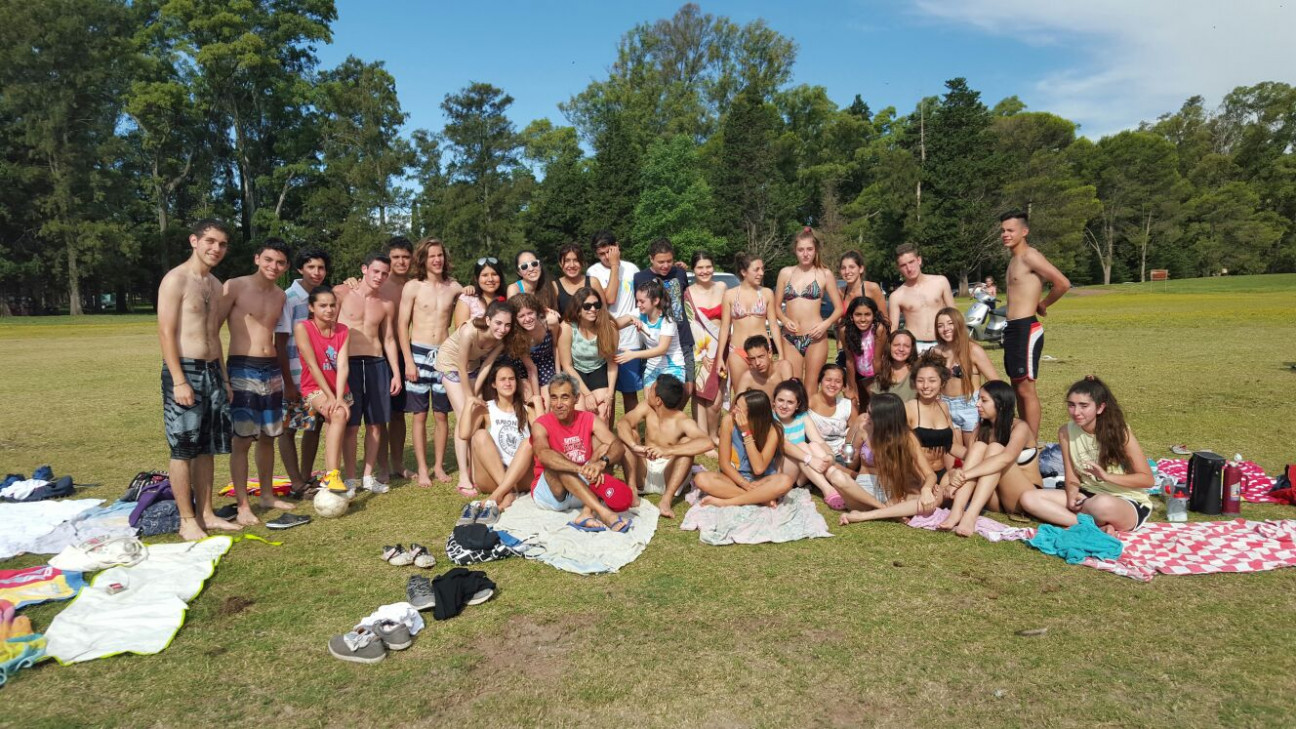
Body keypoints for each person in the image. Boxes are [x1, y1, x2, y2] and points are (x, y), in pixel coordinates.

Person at [157, 219, 237, 541]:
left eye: (222, 244)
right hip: (185, 370)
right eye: (210, 241)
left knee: (208, 447)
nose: (216, 248)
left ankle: (207, 513)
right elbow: (166, 332)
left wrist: (226, 379)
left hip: (213, 372)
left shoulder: (216, 285)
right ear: (194, 240)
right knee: (183, 447)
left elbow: (215, 336)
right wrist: (178, 380)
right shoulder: (175, 280)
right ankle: (187, 519)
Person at [218, 237, 293, 525]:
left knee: (268, 437)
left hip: (270, 368)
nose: (274, 266)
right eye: (269, 260)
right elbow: (213, 329)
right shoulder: (234, 286)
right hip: (242, 368)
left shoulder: (280, 296)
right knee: (242, 440)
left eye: (280, 262)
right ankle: (243, 504)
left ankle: (266, 495)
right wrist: (223, 376)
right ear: (257, 259)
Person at [1018, 376, 1155, 533]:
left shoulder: (1120, 432)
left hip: (1124, 501)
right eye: (1071, 405)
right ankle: (1090, 526)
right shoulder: (1065, 432)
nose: (1076, 412)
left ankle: (1080, 518)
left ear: (1100, 408)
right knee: (1029, 498)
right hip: (1086, 495)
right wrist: (1071, 496)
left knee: (1101, 504)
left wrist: (1106, 477)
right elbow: (1071, 475)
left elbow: (1147, 479)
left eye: (1084, 406)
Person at [436, 300, 528, 496]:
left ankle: (475, 468)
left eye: (507, 325)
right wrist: (469, 397)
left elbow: (487, 364)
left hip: (474, 368)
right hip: (451, 365)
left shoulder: (501, 339)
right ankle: (463, 476)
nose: (502, 329)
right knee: (464, 415)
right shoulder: (470, 332)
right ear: (487, 320)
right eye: (498, 323)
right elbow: (460, 366)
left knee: (476, 418)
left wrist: (475, 390)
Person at [333, 252, 402, 494]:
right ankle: (350, 478)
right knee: (351, 425)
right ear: (364, 269)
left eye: (384, 273)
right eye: (376, 271)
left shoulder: (386, 304)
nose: (380, 277)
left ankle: (367, 476)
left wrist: (395, 373)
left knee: (375, 424)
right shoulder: (341, 293)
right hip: (347, 365)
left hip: (376, 364)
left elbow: (389, 339)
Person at [530, 373, 634, 532]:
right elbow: (543, 455)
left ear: (576, 398)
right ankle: (603, 512)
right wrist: (580, 469)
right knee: (557, 462)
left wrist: (601, 462)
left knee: (604, 445)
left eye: (564, 397)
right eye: (554, 398)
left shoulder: (588, 418)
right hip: (552, 492)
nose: (558, 404)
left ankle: (586, 512)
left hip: (581, 487)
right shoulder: (541, 424)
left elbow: (617, 445)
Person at [1000, 210, 1071, 441]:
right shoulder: (1013, 260)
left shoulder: (1030, 256)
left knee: (1026, 389)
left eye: (1010, 230)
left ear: (1024, 231)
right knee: (1017, 387)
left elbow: (1062, 283)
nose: (1005, 234)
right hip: (1012, 329)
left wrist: (1043, 304)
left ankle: (1031, 442)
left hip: (1026, 328)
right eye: (1003, 230)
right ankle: (1023, 439)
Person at [397, 238, 462, 487]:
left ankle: (438, 466)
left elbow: (472, 295)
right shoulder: (413, 287)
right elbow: (402, 325)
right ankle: (423, 468)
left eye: (440, 255)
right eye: (432, 256)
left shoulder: (453, 286)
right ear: (423, 259)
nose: (437, 260)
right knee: (420, 415)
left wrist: (467, 291)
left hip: (444, 355)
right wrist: (408, 361)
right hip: (418, 353)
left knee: (442, 414)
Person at [939, 380, 1042, 537]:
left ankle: (971, 515)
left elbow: (1006, 458)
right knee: (978, 447)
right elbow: (970, 455)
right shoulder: (981, 427)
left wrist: (963, 476)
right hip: (993, 497)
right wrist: (935, 440)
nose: (977, 404)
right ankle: (957, 511)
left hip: (1022, 497)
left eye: (984, 400)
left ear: (1000, 404)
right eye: (978, 399)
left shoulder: (1020, 427)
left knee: (995, 449)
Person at [616, 374, 713, 519]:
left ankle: (666, 500)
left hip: (670, 475)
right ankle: (632, 490)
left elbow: (707, 442)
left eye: (652, 388)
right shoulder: (646, 408)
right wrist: (635, 446)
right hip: (645, 469)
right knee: (631, 435)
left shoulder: (682, 420)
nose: (648, 391)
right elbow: (622, 423)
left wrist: (668, 450)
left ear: (658, 400)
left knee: (686, 443)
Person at [275, 246, 330, 497]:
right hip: (294, 376)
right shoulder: (289, 298)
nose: (316, 272)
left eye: (321, 267)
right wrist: (287, 381)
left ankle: (307, 477)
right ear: (300, 269)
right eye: (311, 267)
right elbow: (280, 341)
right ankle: (295, 482)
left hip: (315, 376)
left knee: (313, 427)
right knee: (288, 428)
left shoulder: (322, 298)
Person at [837, 393, 939, 524]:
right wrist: (849, 454)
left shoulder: (906, 437)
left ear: (884, 418)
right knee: (836, 476)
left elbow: (930, 474)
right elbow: (850, 465)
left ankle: (872, 513)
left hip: (893, 491)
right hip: (864, 490)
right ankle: (886, 510)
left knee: (935, 496)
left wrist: (926, 489)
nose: (866, 416)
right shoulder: (864, 429)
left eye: (870, 413)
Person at [455, 361, 534, 518]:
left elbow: (544, 436)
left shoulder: (527, 409)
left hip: (522, 477)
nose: (507, 383)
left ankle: (501, 494)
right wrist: (469, 403)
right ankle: (507, 491)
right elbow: (464, 434)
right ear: (493, 384)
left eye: (511, 379)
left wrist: (537, 404)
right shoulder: (486, 408)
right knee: (479, 435)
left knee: (529, 442)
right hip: (492, 477)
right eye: (502, 379)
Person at [292, 289, 351, 494]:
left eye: (332, 305)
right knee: (337, 413)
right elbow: (313, 365)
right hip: (314, 387)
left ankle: (330, 475)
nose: (329, 310)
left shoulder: (343, 330)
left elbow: (343, 366)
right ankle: (331, 475)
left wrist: (340, 395)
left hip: (339, 388)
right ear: (311, 307)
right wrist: (332, 397)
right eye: (323, 306)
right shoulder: (303, 327)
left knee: (334, 419)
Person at [694, 390, 796, 508]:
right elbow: (724, 464)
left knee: (786, 481)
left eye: (739, 409)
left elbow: (758, 468)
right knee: (701, 479)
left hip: (762, 481)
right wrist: (744, 484)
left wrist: (746, 433)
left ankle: (727, 502)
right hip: (734, 479)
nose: (733, 410)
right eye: (736, 405)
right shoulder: (729, 421)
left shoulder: (774, 429)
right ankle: (761, 499)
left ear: (754, 415)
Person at [775, 227, 844, 388]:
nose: (805, 254)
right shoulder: (785, 273)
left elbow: (839, 308)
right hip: (790, 337)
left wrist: (825, 325)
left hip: (815, 337)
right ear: (795, 251)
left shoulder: (824, 274)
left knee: (811, 385)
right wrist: (784, 320)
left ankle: (811, 413)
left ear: (816, 250)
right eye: (801, 250)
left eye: (809, 249)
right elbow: (776, 307)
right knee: (793, 385)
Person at [771, 380, 853, 510]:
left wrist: (830, 456)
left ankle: (836, 480)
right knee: (803, 445)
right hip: (781, 472)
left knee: (814, 445)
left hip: (803, 473)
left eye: (790, 402)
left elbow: (819, 441)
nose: (784, 406)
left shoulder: (802, 417)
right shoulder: (770, 419)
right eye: (781, 400)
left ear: (797, 404)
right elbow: (783, 445)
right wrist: (809, 458)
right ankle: (829, 489)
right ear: (773, 401)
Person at [587, 231, 644, 415]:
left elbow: (640, 301)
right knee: (605, 395)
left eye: (609, 251)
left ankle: (632, 435)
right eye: (601, 254)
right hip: (604, 339)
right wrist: (614, 266)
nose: (605, 257)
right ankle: (608, 436)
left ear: (617, 247)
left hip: (629, 340)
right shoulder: (593, 272)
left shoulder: (632, 269)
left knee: (630, 392)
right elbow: (609, 298)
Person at [558, 286, 631, 423]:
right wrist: (587, 394)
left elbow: (611, 362)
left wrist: (610, 394)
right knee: (580, 415)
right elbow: (567, 365)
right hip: (576, 372)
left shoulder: (608, 327)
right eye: (587, 306)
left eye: (596, 305)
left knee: (602, 415)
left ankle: (602, 443)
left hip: (599, 371)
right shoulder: (567, 327)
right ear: (578, 309)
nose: (593, 309)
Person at [715, 253, 782, 400]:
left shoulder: (767, 293)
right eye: (756, 270)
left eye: (762, 269)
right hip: (738, 352)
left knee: (766, 395)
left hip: (763, 350)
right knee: (741, 396)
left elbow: (774, 326)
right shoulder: (730, 295)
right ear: (744, 272)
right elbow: (725, 327)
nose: (761, 273)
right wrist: (720, 357)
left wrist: (781, 354)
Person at [933, 306, 1001, 450]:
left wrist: (986, 403)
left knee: (973, 453)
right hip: (945, 406)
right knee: (952, 454)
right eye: (940, 325)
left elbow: (995, 382)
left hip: (970, 406)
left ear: (959, 324)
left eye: (950, 323)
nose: (946, 328)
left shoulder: (973, 350)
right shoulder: (936, 352)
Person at [633, 238, 695, 394]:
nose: (666, 265)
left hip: (682, 337)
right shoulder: (640, 277)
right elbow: (639, 306)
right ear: (651, 258)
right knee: (655, 392)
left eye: (669, 261)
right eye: (661, 262)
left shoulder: (680, 272)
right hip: (656, 339)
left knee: (687, 388)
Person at [380, 237, 414, 482]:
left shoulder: (414, 285)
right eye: (396, 257)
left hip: (403, 352)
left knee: (398, 412)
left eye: (405, 257)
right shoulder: (379, 284)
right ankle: (381, 465)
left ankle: (398, 463)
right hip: (378, 354)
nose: (401, 262)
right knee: (380, 413)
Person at [616, 279, 684, 400]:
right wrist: (630, 318)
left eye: (642, 301)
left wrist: (633, 355)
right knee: (651, 409)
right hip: (652, 368)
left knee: (664, 410)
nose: (638, 304)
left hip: (672, 368)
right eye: (637, 301)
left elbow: (662, 349)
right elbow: (615, 325)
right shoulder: (640, 312)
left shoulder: (667, 319)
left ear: (656, 301)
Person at [905, 351, 962, 494]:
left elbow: (951, 445)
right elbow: (903, 452)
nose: (925, 386)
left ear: (942, 382)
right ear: (914, 383)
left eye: (932, 380)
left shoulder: (944, 407)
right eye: (920, 380)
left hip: (941, 473)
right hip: (916, 476)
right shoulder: (909, 408)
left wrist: (974, 456)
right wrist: (926, 480)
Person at [684, 251, 727, 440]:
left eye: (708, 266)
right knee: (699, 394)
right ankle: (702, 436)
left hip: (721, 346)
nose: (705, 271)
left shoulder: (722, 287)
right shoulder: (688, 292)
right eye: (700, 267)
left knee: (717, 398)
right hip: (699, 349)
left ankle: (714, 434)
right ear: (693, 270)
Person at [887, 242, 955, 353]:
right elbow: (893, 328)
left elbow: (954, 315)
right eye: (903, 265)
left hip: (942, 343)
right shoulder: (896, 296)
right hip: (915, 347)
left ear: (919, 260)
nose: (909, 268)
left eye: (911, 262)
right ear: (898, 268)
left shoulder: (940, 282)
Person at [508, 292, 556, 411]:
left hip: (546, 362)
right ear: (515, 318)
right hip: (524, 366)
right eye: (522, 316)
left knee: (549, 399)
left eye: (530, 313)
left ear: (537, 311)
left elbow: (556, 346)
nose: (527, 319)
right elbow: (531, 368)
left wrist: (558, 374)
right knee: (532, 401)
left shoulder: (550, 322)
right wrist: (537, 397)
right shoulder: (516, 335)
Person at [841, 296, 888, 410]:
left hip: (876, 373)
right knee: (855, 403)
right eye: (858, 314)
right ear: (851, 316)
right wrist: (852, 388)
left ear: (874, 316)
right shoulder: (845, 331)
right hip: (858, 374)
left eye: (867, 314)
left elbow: (877, 360)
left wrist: (879, 386)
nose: (863, 319)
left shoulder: (878, 329)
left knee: (878, 405)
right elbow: (850, 361)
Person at [807, 364, 857, 462]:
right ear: (820, 381)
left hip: (844, 455)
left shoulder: (847, 405)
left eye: (838, 381)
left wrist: (848, 448)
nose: (833, 385)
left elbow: (856, 432)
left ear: (843, 386)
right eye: (828, 380)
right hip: (818, 455)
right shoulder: (809, 404)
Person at [552, 243, 605, 318]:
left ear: (582, 262)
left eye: (576, 260)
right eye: (567, 261)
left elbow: (603, 311)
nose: (572, 265)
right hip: (566, 328)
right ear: (560, 263)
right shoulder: (554, 286)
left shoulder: (593, 282)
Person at [732, 335, 794, 399]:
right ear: (749, 360)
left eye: (761, 356)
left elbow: (791, 396)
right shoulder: (748, 377)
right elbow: (736, 403)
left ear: (769, 354)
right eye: (752, 359)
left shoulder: (783, 367)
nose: (757, 363)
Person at [837, 251, 886, 326]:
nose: (847, 271)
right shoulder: (840, 292)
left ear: (861, 269)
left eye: (851, 267)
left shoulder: (872, 288)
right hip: (850, 335)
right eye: (843, 268)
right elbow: (838, 321)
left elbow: (885, 319)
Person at [453, 257, 507, 325]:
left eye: (494, 274)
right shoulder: (467, 299)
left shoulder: (507, 299)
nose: (490, 279)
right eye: (485, 275)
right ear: (476, 279)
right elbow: (460, 332)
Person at [869, 329, 917, 403]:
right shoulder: (881, 369)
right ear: (889, 346)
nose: (901, 349)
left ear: (912, 349)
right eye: (896, 345)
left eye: (906, 346)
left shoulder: (917, 371)